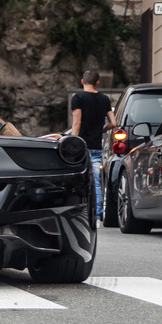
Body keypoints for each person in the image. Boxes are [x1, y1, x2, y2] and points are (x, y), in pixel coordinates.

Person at [71, 70, 116, 222]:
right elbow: (113, 123)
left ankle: (76, 213)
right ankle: (97, 216)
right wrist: (101, 129)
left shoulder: (78, 98)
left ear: (82, 81)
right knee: (96, 181)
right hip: (96, 147)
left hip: (81, 147)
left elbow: (77, 123)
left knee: (75, 178)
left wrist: (73, 143)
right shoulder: (104, 99)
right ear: (97, 82)